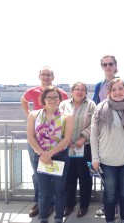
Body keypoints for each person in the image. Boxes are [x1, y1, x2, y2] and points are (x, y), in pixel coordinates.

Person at [91, 78, 124, 223]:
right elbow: (94, 135)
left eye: (120, 88)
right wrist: (95, 158)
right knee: (110, 194)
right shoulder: (100, 108)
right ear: (108, 92)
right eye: (113, 89)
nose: (117, 92)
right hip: (107, 161)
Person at [20, 66, 68, 217]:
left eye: (49, 75)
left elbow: (66, 110)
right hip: (37, 141)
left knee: (55, 173)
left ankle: (52, 204)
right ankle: (40, 202)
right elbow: (24, 100)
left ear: (53, 76)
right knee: (38, 173)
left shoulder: (61, 93)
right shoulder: (32, 91)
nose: (46, 77)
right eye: (44, 74)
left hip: (55, 141)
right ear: (39, 76)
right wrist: (28, 115)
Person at [26, 86, 73, 223]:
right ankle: (43, 219)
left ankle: (58, 218)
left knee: (59, 191)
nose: (52, 100)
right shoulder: (34, 115)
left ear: (60, 99)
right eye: (49, 97)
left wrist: (50, 154)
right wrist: (42, 154)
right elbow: (30, 137)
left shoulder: (67, 116)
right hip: (40, 158)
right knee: (43, 192)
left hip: (60, 157)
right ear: (43, 99)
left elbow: (66, 139)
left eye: (55, 97)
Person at [92, 54, 124, 218]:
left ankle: (121, 213)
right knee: (109, 186)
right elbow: (94, 106)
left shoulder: (123, 83)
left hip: (123, 140)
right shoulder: (99, 86)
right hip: (105, 137)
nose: (108, 67)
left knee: (123, 189)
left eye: (111, 64)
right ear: (102, 66)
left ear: (115, 66)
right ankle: (109, 207)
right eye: (105, 64)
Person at [59, 82, 96, 218]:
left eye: (82, 90)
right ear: (72, 91)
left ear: (86, 92)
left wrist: (83, 138)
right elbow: (59, 121)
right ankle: (69, 204)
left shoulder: (91, 105)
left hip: (84, 147)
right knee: (69, 177)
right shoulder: (63, 105)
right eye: (77, 89)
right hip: (67, 146)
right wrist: (65, 138)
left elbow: (95, 123)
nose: (79, 92)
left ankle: (84, 205)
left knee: (84, 177)